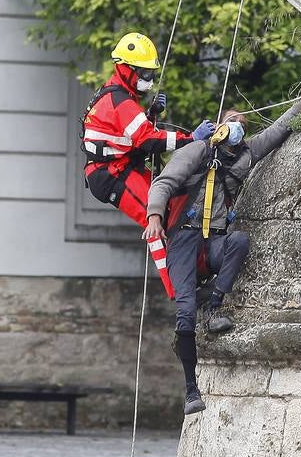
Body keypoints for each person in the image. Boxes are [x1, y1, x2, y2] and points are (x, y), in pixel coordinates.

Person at [146, 85, 301, 415]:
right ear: (219, 126)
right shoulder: (199, 150)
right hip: (185, 239)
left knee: (240, 241)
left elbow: (279, 129)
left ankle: (215, 304)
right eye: (231, 121)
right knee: (184, 311)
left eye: (242, 124)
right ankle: (191, 389)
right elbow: (164, 182)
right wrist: (154, 216)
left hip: (217, 239)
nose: (237, 126)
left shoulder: (247, 153)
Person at [82, 32, 215, 296]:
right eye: (144, 74)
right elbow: (147, 141)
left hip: (122, 167)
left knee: (175, 205)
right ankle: (179, 289)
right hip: (111, 175)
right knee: (156, 221)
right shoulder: (120, 102)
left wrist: (150, 114)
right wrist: (190, 138)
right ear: (126, 69)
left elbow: (130, 133)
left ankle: (198, 270)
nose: (149, 80)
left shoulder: (120, 96)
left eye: (150, 74)